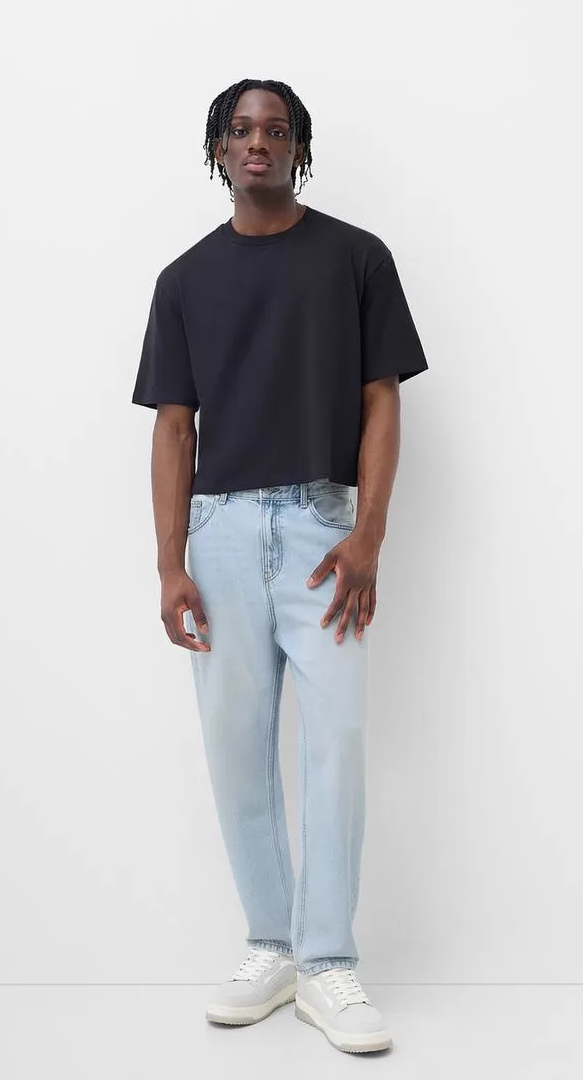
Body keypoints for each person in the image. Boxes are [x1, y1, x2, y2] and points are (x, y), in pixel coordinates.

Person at [131, 77, 428, 1055]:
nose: (256, 142)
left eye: (275, 129)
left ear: (299, 148)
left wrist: (368, 534)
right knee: (235, 746)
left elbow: (381, 400)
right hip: (218, 535)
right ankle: (271, 946)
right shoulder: (184, 279)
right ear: (217, 149)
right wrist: (170, 563)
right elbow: (175, 428)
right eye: (240, 129)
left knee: (335, 739)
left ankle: (328, 961)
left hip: (319, 531)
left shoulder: (355, 258)